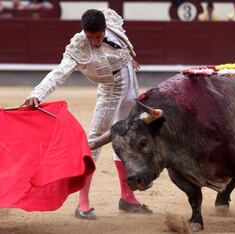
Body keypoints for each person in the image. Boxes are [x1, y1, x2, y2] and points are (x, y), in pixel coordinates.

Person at [22, 8, 152, 220]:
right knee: (94, 143)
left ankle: (127, 198)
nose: (94, 42)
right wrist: (37, 94)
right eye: (90, 37)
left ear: (104, 29)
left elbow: (124, 42)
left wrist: (130, 59)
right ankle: (82, 203)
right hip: (110, 91)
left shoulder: (109, 22)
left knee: (126, 139)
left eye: (98, 37)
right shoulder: (79, 46)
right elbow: (59, 73)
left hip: (131, 86)